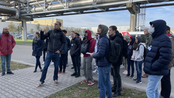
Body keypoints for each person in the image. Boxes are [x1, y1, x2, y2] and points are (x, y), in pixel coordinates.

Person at [144, 20, 172, 98]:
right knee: (155, 90)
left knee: (149, 91)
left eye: (152, 26)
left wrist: (153, 66)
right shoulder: (156, 38)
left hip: (156, 70)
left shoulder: (164, 39)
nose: (151, 28)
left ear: (158, 27)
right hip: (154, 70)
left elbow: (165, 57)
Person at [38, 21, 65, 87]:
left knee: (56, 67)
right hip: (49, 52)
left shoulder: (61, 34)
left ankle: (55, 79)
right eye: (54, 24)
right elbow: (42, 38)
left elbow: (64, 43)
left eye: (56, 24)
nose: (54, 25)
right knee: (45, 67)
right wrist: (41, 31)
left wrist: (60, 50)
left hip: (56, 53)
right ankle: (41, 80)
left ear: (59, 26)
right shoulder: (50, 32)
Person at [90, 24, 112, 98]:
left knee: (101, 85)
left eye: (100, 28)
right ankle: (109, 96)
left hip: (103, 64)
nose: (98, 29)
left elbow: (101, 54)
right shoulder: (105, 38)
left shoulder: (102, 39)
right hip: (106, 63)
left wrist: (93, 55)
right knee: (107, 83)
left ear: (103, 30)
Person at [108, 26, 123, 97]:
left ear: (114, 31)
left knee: (117, 75)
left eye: (110, 30)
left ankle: (118, 90)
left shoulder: (118, 39)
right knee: (113, 74)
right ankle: (114, 87)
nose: (108, 31)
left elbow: (117, 53)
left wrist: (113, 62)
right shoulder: (113, 38)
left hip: (116, 61)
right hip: (113, 60)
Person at [160, 26, 174, 98]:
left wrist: (166, 61)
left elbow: (171, 52)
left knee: (166, 80)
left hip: (167, 63)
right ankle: (162, 93)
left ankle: (166, 95)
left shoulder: (170, 39)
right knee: (163, 79)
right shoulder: (165, 38)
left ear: (168, 31)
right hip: (163, 62)